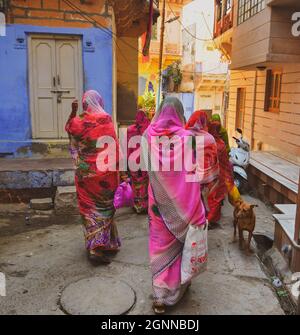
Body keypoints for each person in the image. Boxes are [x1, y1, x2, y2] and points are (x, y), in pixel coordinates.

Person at [143, 97, 208, 314]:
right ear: (180, 114)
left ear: (160, 111)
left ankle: (160, 294)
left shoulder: (147, 136)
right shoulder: (189, 138)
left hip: (158, 205)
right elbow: (196, 176)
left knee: (159, 245)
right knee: (180, 248)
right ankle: (177, 288)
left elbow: (145, 169)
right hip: (184, 206)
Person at [65, 90, 121, 265]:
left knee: (89, 209)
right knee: (105, 208)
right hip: (106, 175)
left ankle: (97, 244)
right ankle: (98, 247)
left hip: (85, 175)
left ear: (84, 104)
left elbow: (70, 129)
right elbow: (115, 148)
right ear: (100, 102)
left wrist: (73, 112)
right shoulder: (107, 120)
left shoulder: (78, 121)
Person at [185, 110, 220, 216]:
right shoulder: (210, 139)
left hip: (187, 179)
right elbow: (214, 161)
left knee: (189, 205)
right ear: (205, 122)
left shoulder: (183, 136)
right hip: (205, 180)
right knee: (202, 206)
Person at [207, 120, 235, 228]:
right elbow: (225, 161)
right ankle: (211, 220)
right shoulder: (221, 144)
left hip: (210, 175)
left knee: (211, 198)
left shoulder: (208, 142)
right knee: (217, 199)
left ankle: (209, 220)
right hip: (220, 175)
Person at [127, 109, 150, 213]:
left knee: (136, 183)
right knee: (145, 183)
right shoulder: (150, 129)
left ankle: (137, 205)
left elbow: (128, 147)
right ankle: (145, 205)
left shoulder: (130, 130)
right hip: (145, 161)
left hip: (134, 161)